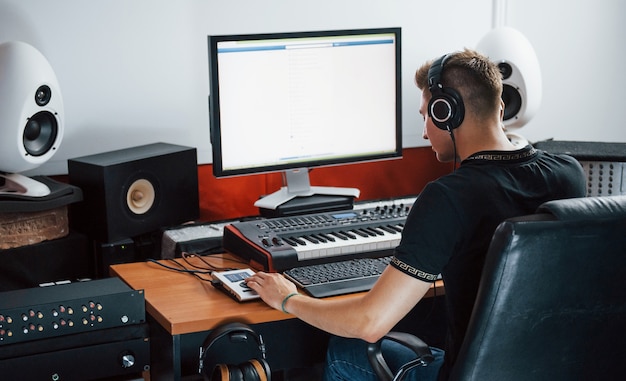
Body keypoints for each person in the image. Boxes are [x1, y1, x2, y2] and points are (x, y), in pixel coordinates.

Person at [245, 48, 586, 380]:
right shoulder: (568, 173)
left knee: (344, 350)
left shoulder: (448, 197)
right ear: (500, 106)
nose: (424, 132)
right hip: (555, 367)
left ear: (446, 112)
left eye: (425, 115)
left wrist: (287, 298)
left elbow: (369, 323)